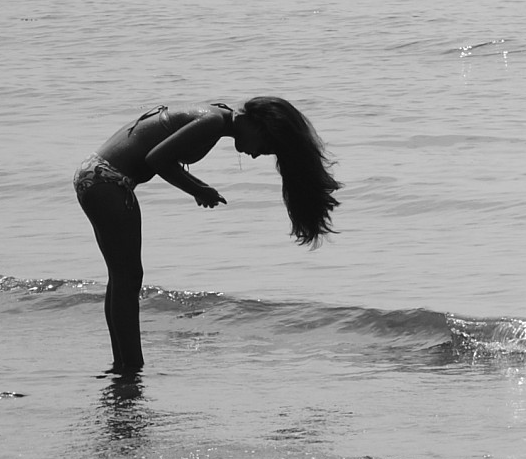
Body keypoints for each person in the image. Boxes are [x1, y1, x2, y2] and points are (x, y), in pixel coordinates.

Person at [73, 97, 338, 373]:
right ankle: (131, 366)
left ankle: (124, 364)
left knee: (122, 278)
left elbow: (157, 154)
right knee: (127, 278)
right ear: (258, 125)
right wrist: (198, 190)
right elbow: (157, 158)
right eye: (266, 146)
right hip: (107, 180)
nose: (258, 154)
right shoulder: (212, 121)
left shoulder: (215, 118)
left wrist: (199, 187)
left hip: (99, 176)